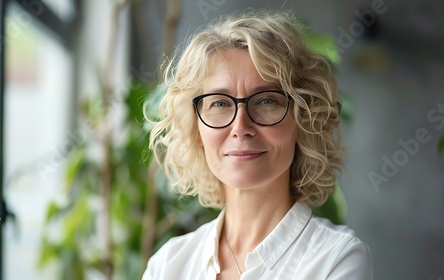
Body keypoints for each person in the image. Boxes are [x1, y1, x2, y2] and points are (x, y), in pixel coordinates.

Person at [142, 10, 373, 280]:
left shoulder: (336, 259)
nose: (240, 128)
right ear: (196, 129)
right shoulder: (168, 264)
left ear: (303, 120)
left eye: (266, 101)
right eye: (219, 103)